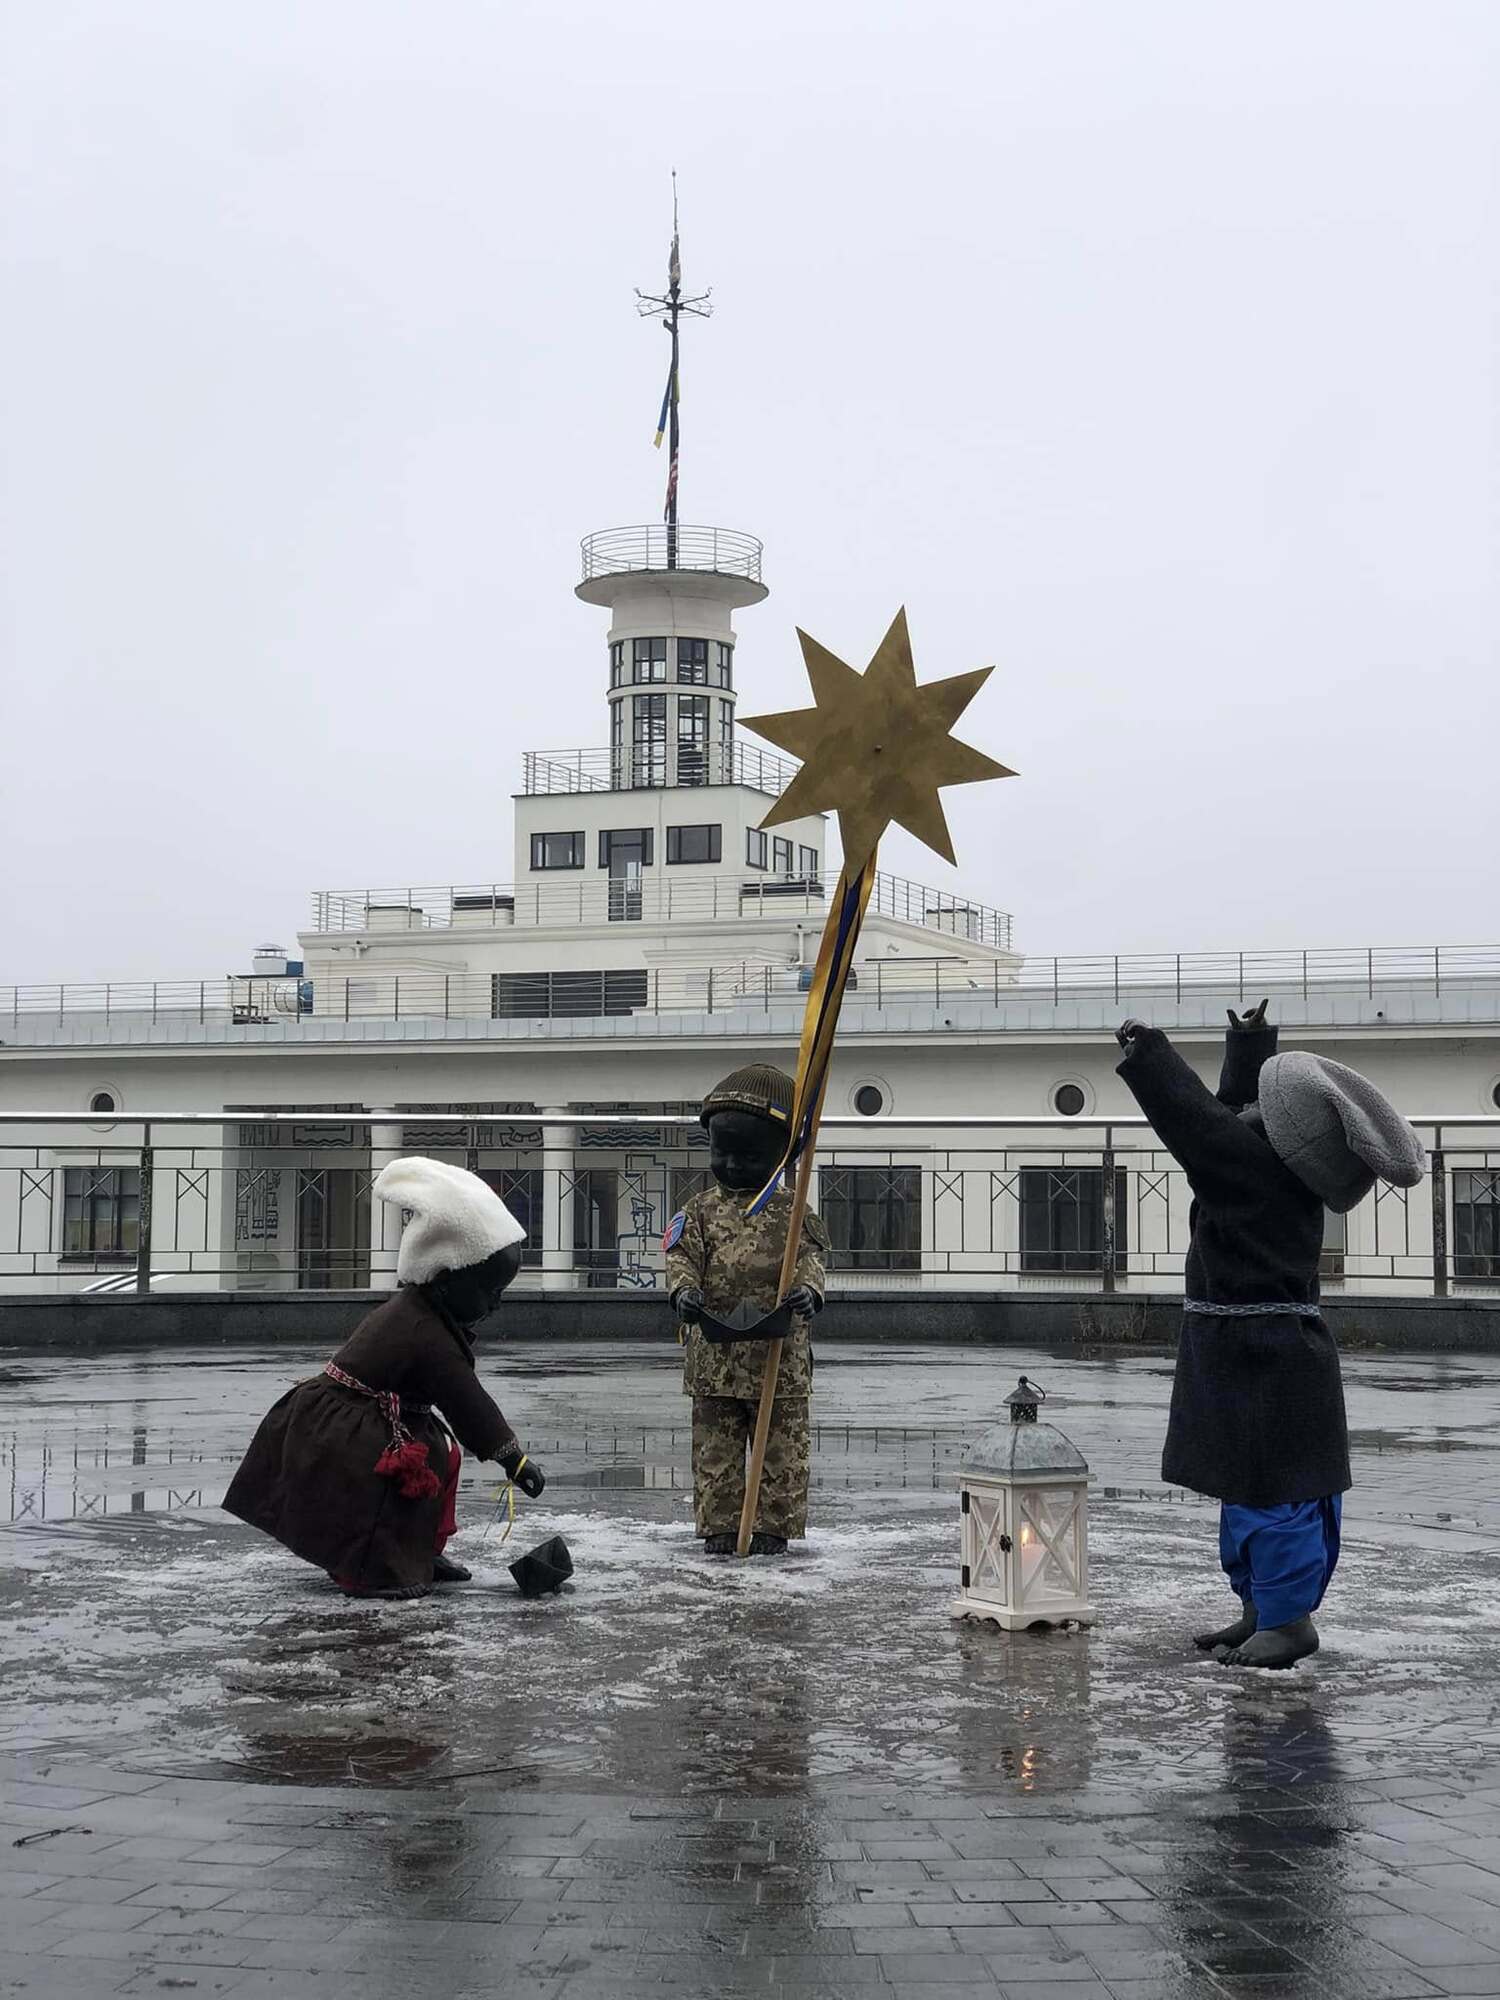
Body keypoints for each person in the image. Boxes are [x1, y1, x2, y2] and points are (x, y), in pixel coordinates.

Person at [1117, 1002, 1425, 1668]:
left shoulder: (1252, 1172)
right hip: (1278, 1353)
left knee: (1266, 1497)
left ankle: (1286, 1623)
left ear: (1284, 1131)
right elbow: (1232, 1121)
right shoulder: (1284, 1169)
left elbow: (1199, 1128)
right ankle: (1263, 1610)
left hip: (1256, 1359)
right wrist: (1249, 1042)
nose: (1255, 1107)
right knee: (1264, 1492)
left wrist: (1152, 1055)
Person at [224, 1156, 546, 1599]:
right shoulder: (424, 1330)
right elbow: (467, 1403)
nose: (495, 1306)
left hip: (369, 1416)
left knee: (441, 1454)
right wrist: (515, 1461)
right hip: (342, 1432)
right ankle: (372, 1567)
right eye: (489, 1292)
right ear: (447, 1279)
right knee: (388, 1478)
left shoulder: (425, 1310)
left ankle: (420, 1549)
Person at [664, 1064, 827, 1557]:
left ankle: (772, 1529)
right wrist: (684, 1292)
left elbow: (811, 1260)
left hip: (778, 1356)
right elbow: (681, 1257)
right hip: (715, 1356)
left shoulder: (794, 1211)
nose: (733, 1166)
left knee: (781, 1449)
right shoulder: (697, 1210)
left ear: (779, 1156)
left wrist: (807, 1292)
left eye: (749, 1155)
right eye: (722, 1153)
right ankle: (719, 1526)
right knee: (716, 1449)